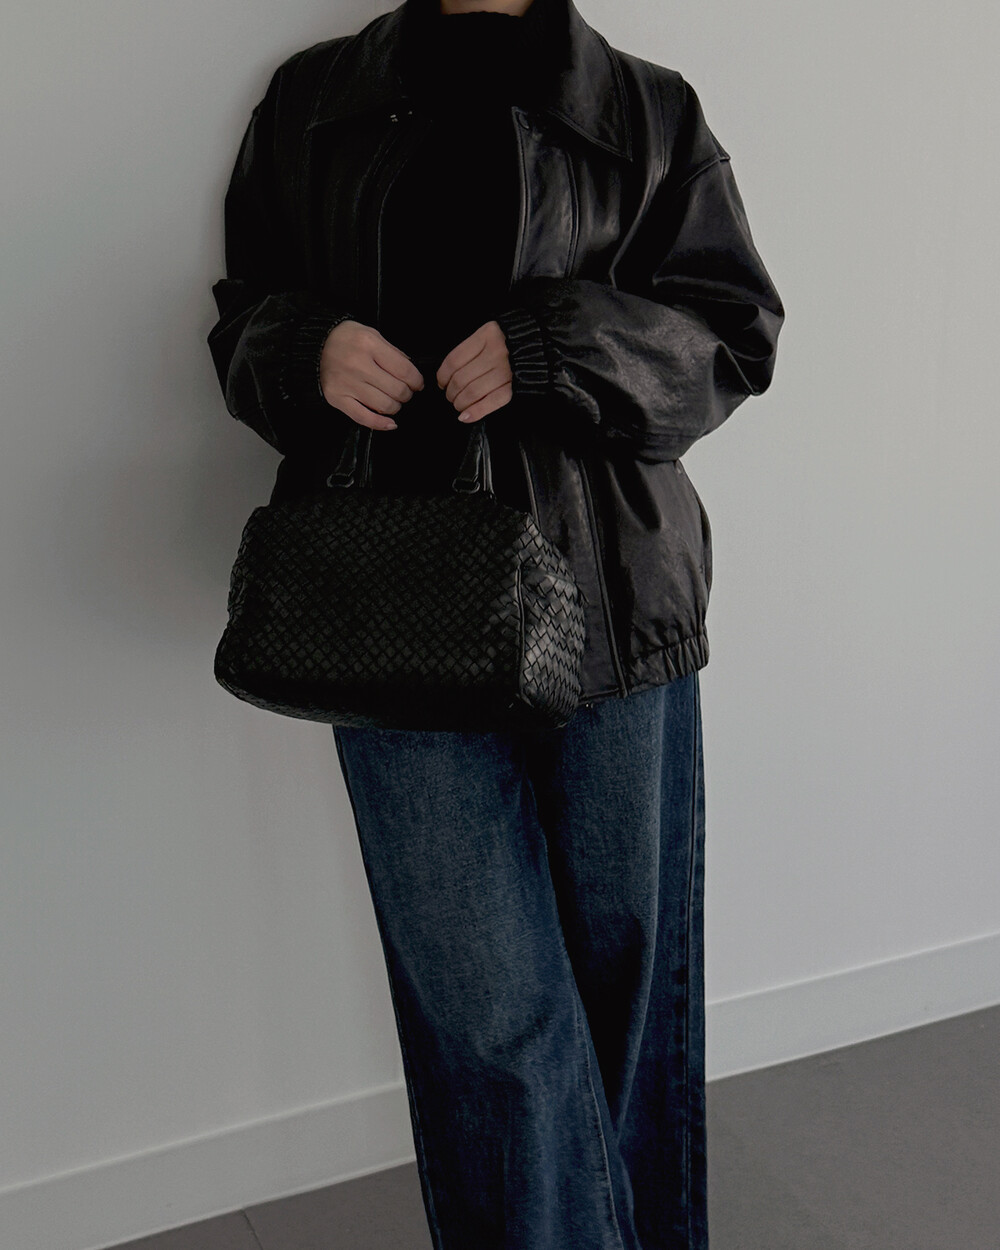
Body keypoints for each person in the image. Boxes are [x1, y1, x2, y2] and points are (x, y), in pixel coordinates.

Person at [206, 0, 784, 1246]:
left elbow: (731, 343)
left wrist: (558, 344)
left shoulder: (647, 110)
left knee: (626, 991)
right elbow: (240, 313)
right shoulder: (315, 101)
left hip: (614, 605)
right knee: (487, 1016)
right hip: (386, 613)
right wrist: (303, 348)